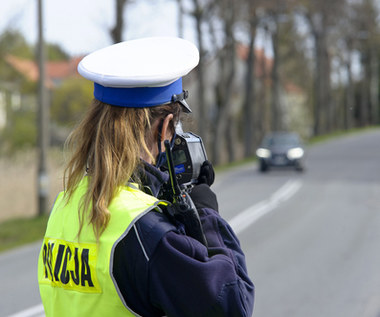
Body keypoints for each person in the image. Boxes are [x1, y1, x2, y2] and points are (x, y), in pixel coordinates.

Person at [38, 37, 254, 317]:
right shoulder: (146, 230)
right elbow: (232, 305)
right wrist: (205, 215)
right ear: (165, 127)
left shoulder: (64, 204)